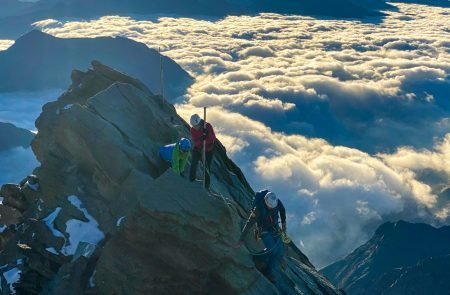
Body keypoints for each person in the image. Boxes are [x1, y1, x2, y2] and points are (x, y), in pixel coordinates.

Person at [237, 190, 286, 281]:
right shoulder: (258, 209)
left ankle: (265, 267)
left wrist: (283, 223)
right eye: (270, 207)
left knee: (279, 252)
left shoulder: (276, 202)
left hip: (274, 228)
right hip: (263, 230)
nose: (271, 209)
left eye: (273, 207)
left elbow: (282, 210)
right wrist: (241, 239)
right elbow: (249, 224)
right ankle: (258, 260)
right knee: (273, 250)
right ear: (266, 202)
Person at [189, 114, 216, 189]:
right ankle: (191, 179)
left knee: (206, 168)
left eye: (196, 126)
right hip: (198, 149)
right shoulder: (192, 130)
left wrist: (207, 134)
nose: (195, 128)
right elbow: (196, 142)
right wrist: (202, 138)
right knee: (194, 163)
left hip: (208, 150)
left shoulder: (207, 126)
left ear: (199, 123)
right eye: (194, 126)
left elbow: (213, 138)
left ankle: (206, 185)